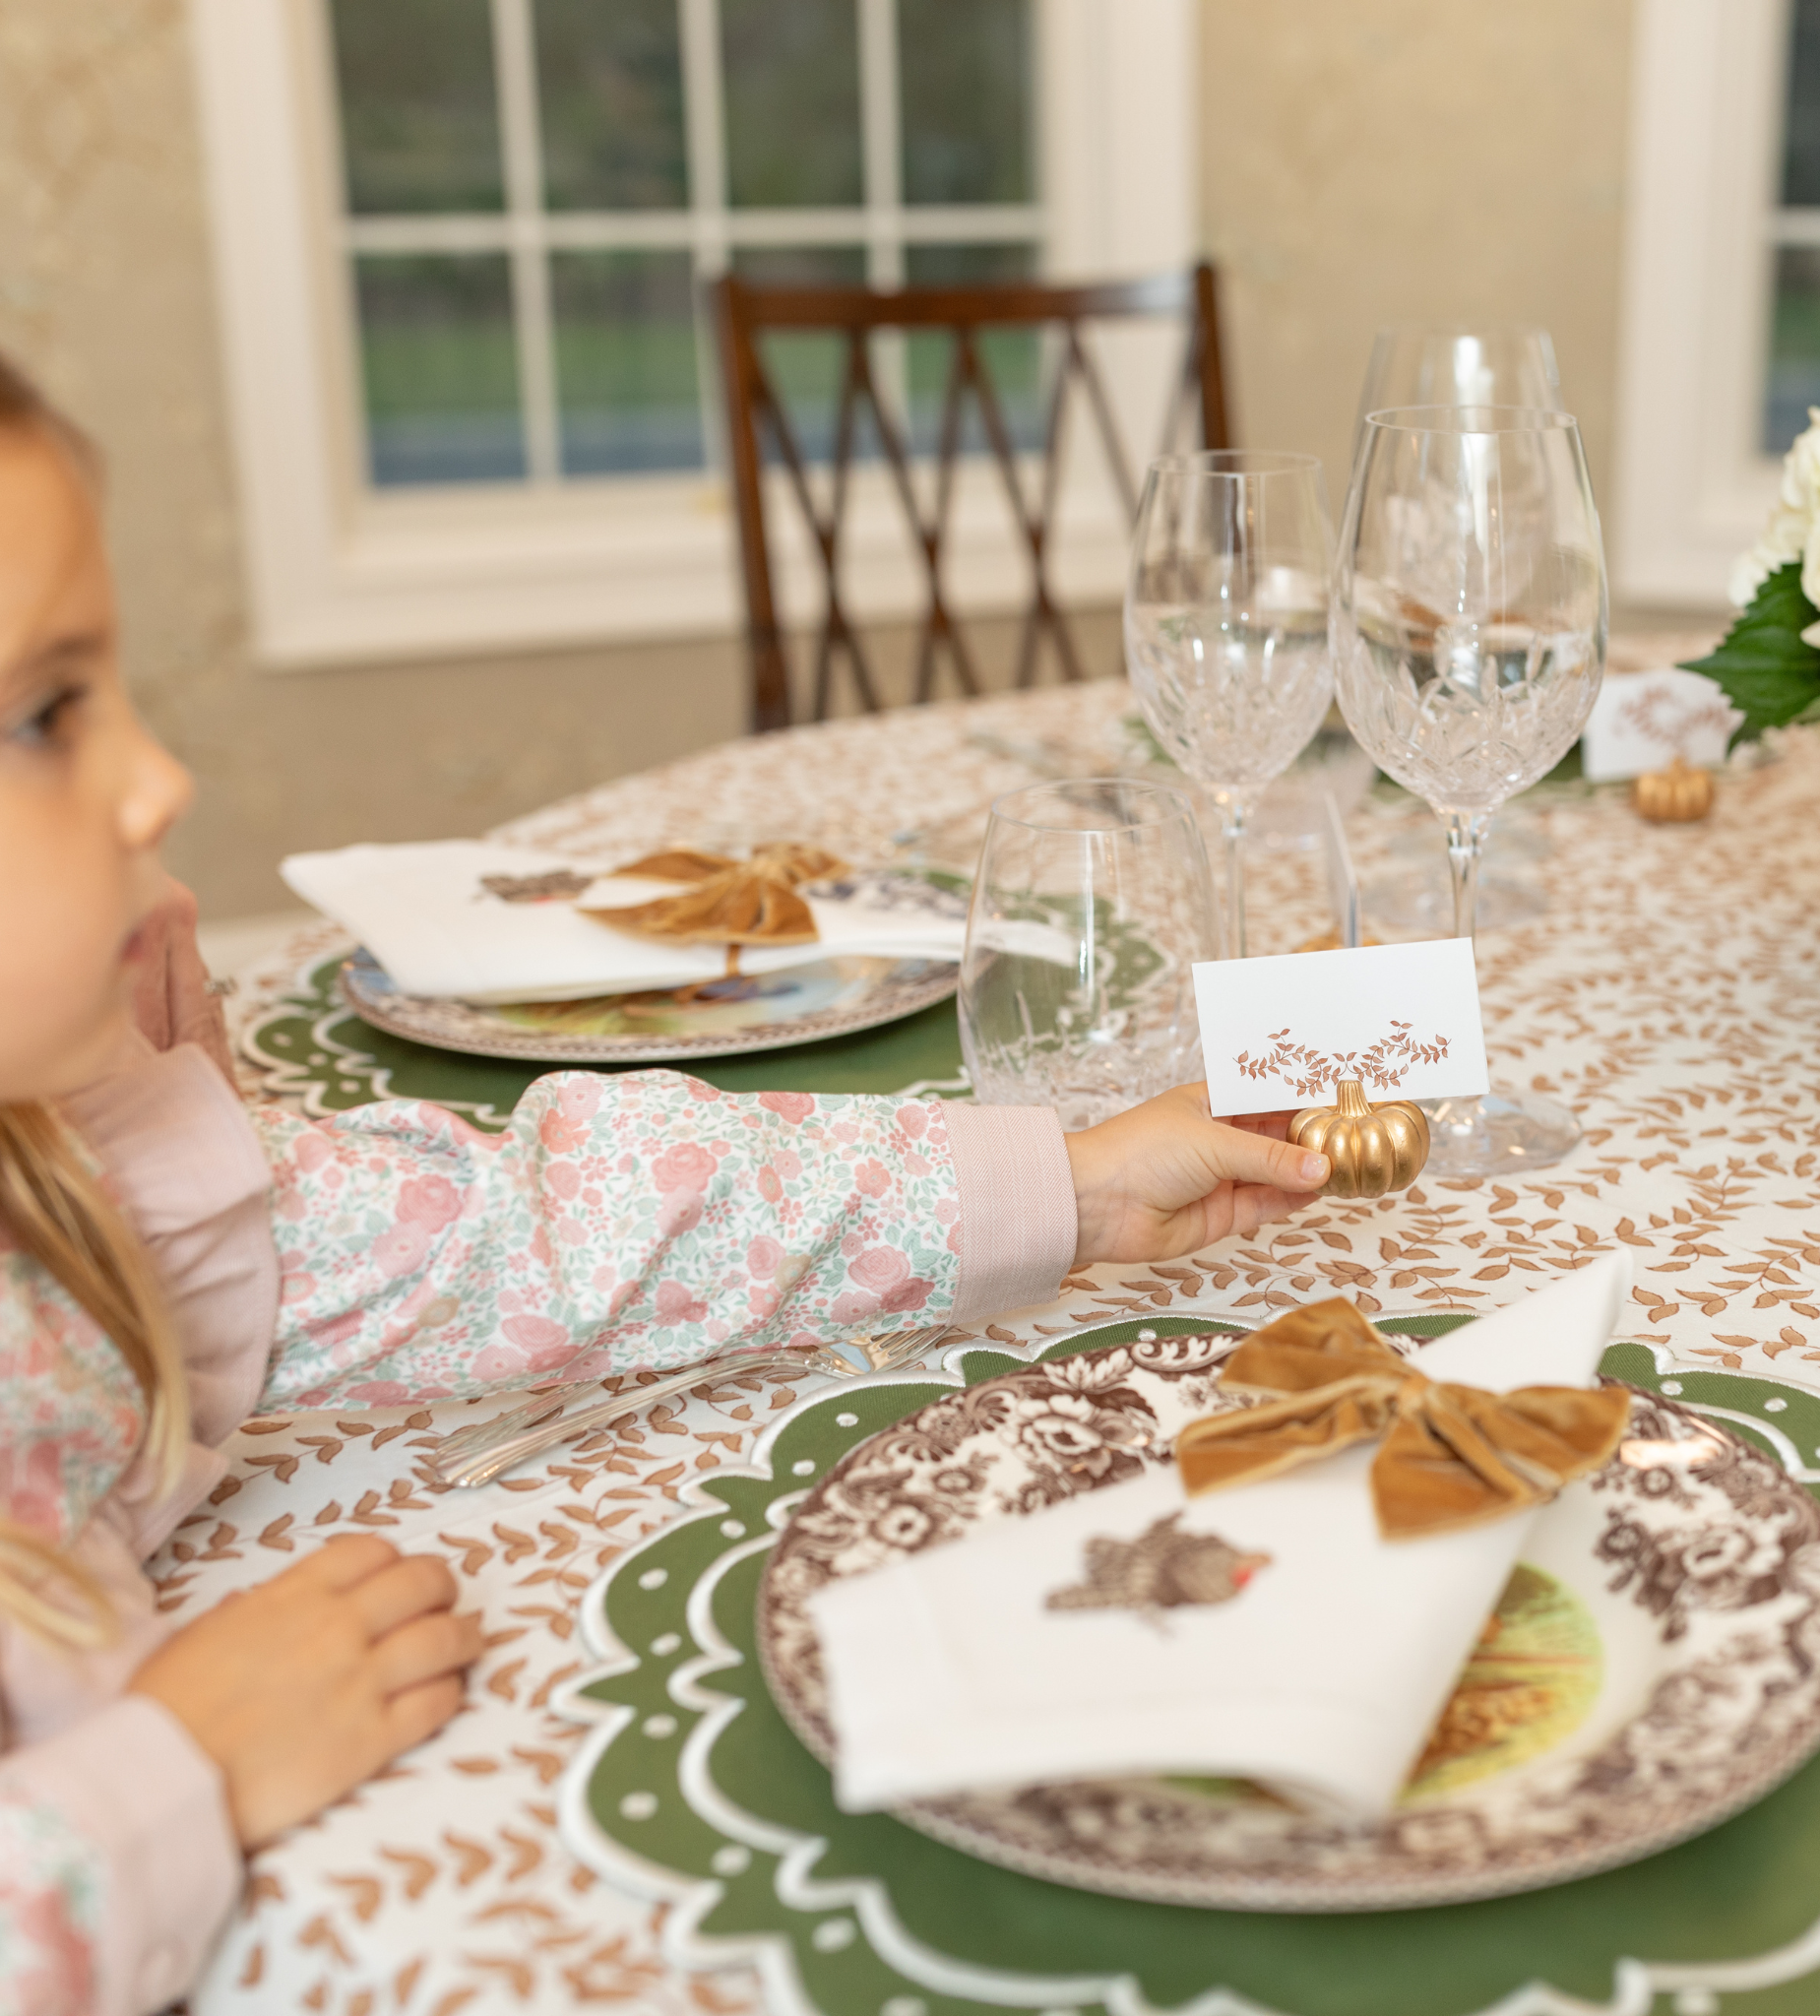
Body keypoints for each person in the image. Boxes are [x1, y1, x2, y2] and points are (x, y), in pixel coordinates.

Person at [0, 350, 1331, 2014]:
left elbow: (521, 1233)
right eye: (47, 713)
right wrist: (166, 1780)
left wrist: (1066, 1186)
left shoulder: (60, 1159)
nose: (156, 778)